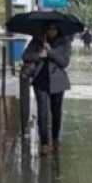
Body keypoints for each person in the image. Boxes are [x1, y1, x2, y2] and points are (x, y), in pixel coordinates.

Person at [22, 23, 72, 156]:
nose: (51, 31)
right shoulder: (37, 40)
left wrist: (50, 52)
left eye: (54, 29)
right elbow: (25, 56)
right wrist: (40, 55)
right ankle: (44, 143)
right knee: (43, 112)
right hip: (40, 80)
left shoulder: (64, 42)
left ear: (58, 29)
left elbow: (64, 62)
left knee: (56, 113)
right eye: (49, 28)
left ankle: (55, 139)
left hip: (57, 82)